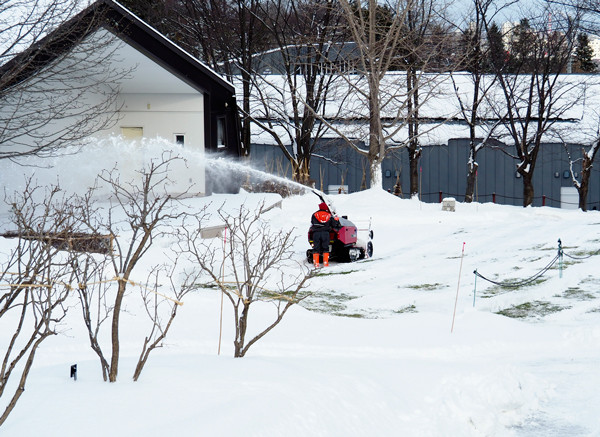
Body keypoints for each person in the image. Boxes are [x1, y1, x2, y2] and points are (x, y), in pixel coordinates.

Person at [310, 202, 340, 267]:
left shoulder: (314, 214)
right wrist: (336, 219)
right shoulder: (329, 215)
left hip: (316, 233)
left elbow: (312, 222)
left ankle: (316, 264)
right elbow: (334, 224)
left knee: (316, 248)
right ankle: (325, 263)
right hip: (325, 233)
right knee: (325, 248)